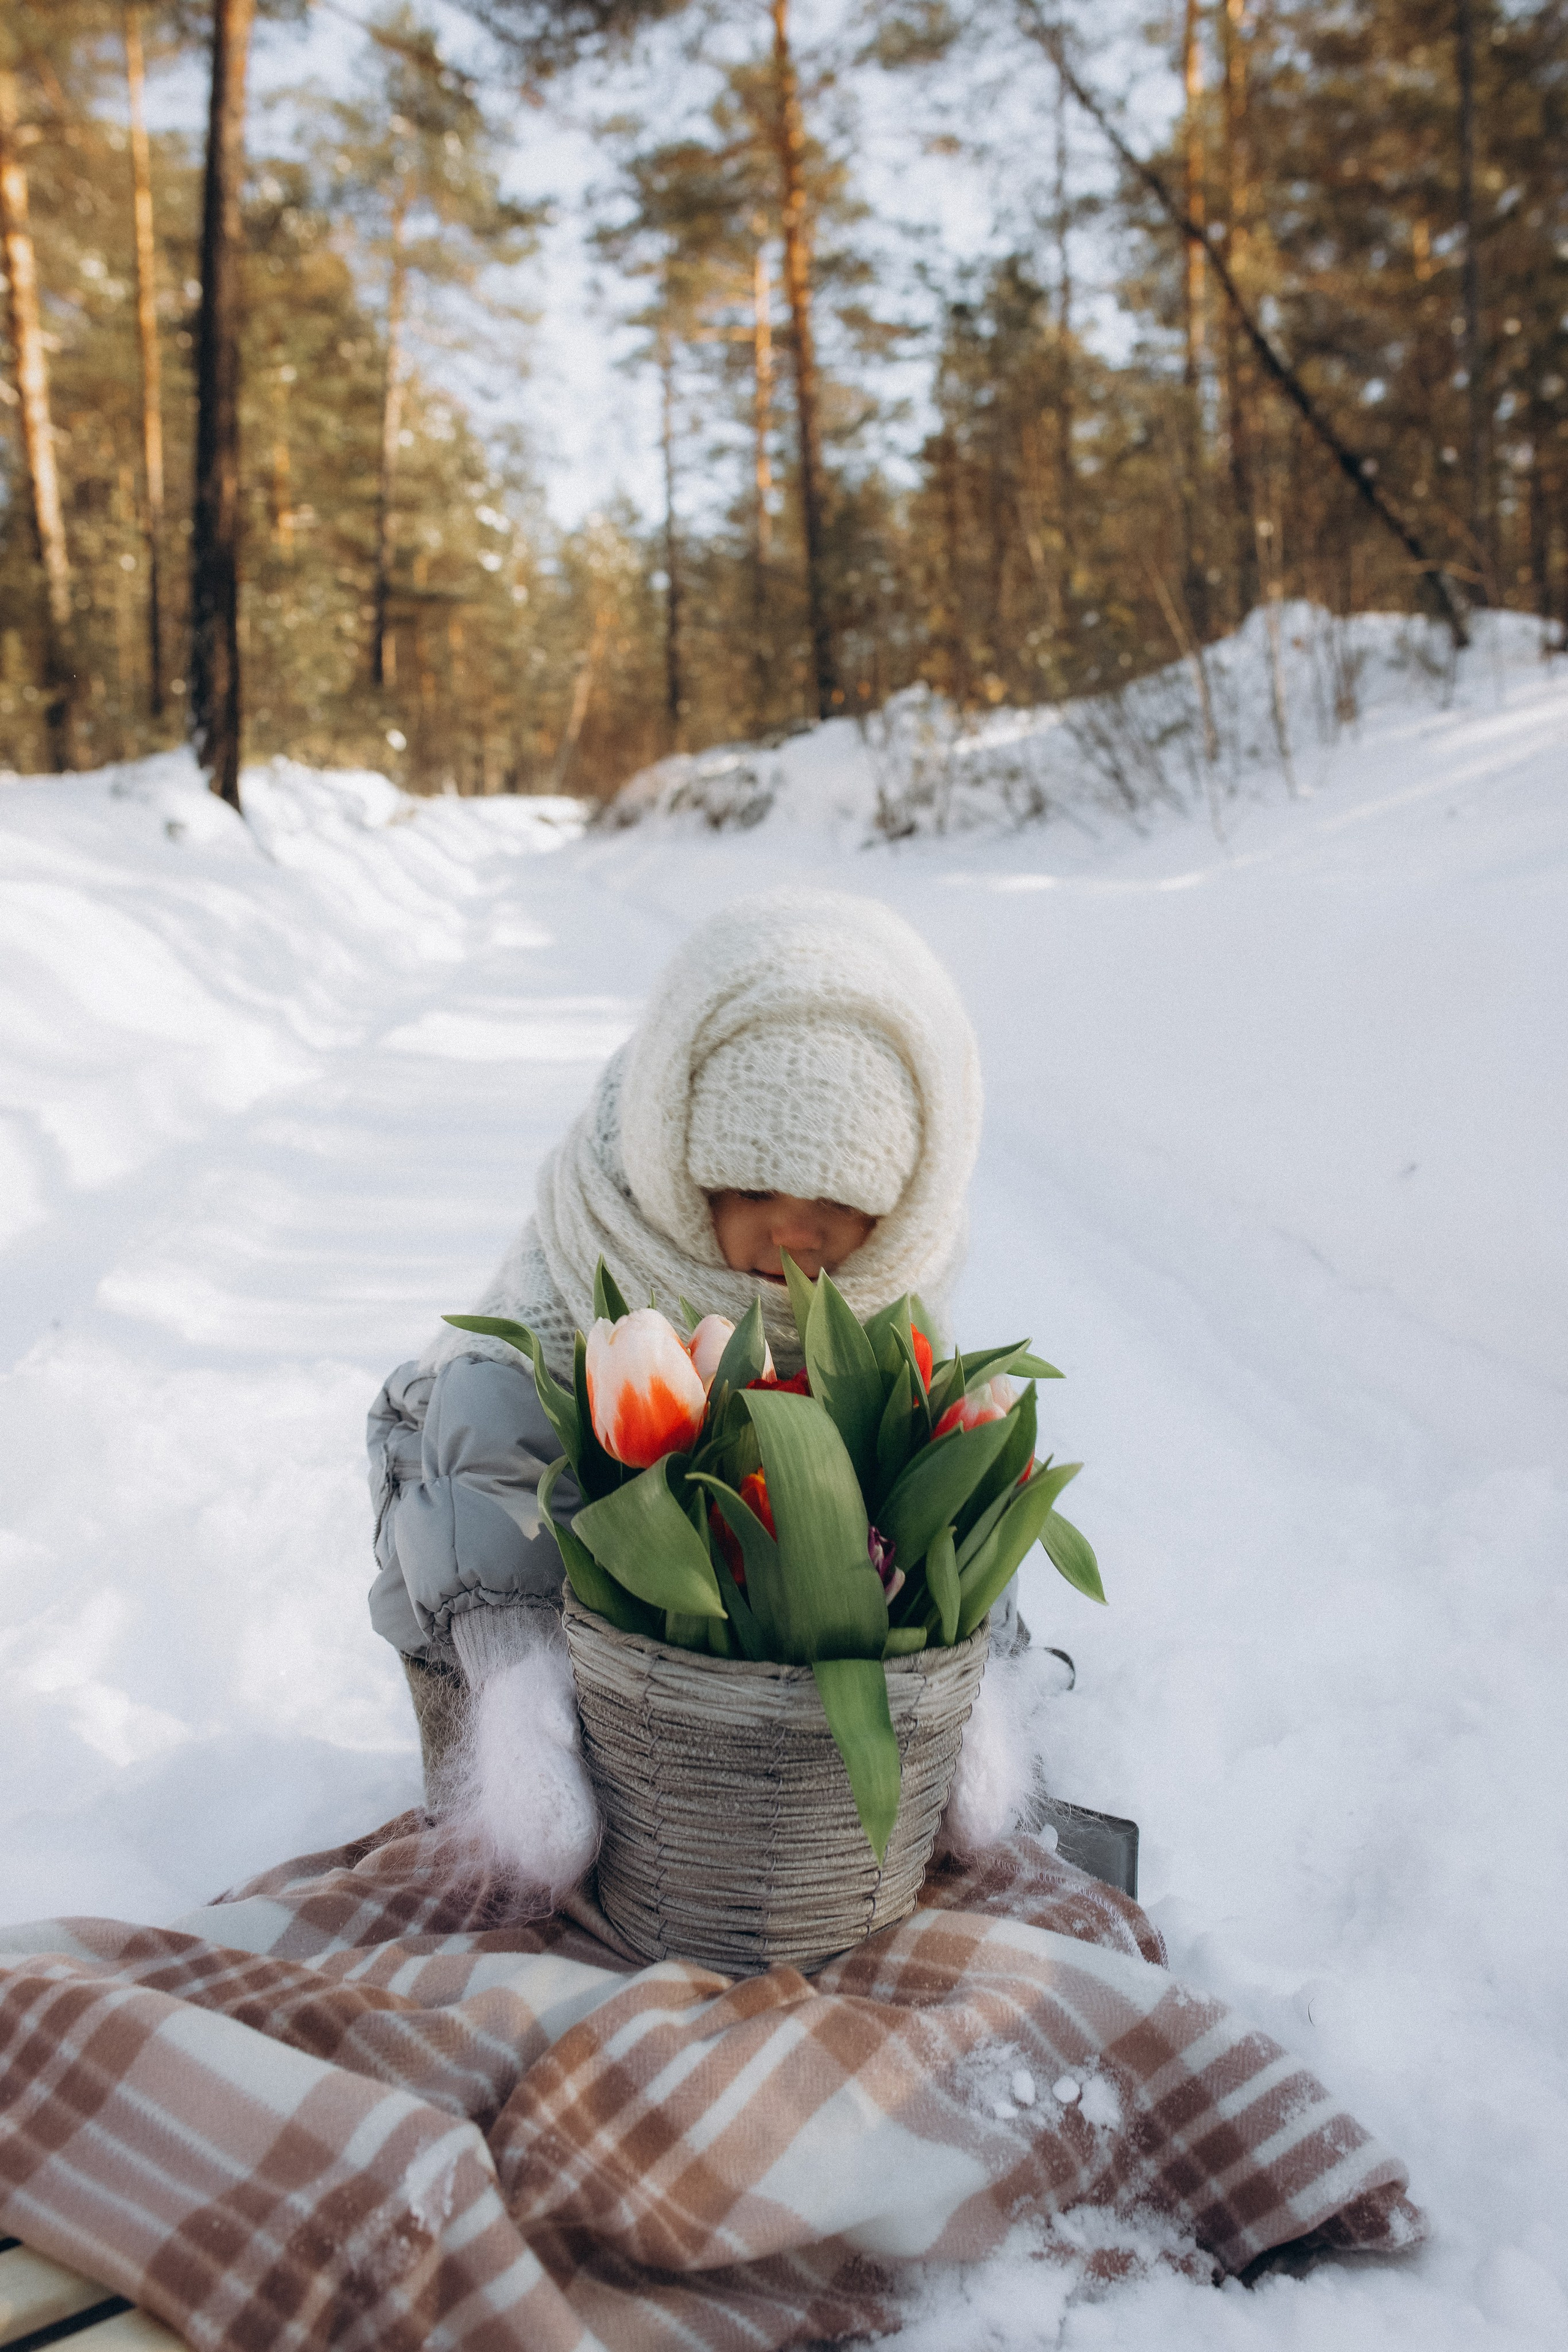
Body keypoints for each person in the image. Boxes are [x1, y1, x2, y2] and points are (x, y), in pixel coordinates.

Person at [366, 884, 1009, 1894]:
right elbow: (479, 1425)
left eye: (836, 1206)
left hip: (757, 1592)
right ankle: (521, 1696)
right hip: (575, 1554)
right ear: (683, 1157)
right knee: (495, 1409)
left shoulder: (895, 1278)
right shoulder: (610, 1218)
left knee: (955, 1443)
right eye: (749, 1192)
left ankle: (964, 1708)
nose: (790, 1236)